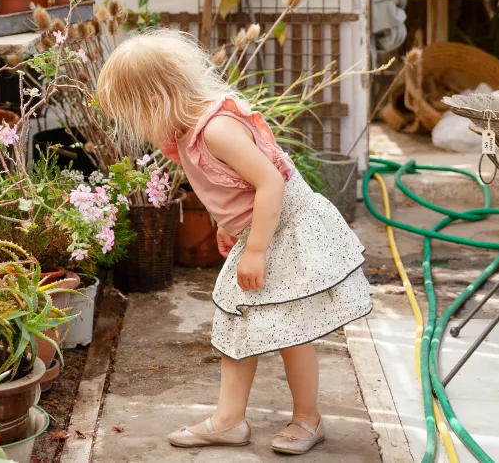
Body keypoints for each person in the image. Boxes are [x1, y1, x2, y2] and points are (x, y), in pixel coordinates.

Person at [96, 30, 371, 455]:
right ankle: (228, 420)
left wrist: (256, 248)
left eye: (135, 117)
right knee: (238, 319)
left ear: (157, 101)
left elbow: (270, 184)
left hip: (287, 228)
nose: (137, 130)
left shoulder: (216, 129)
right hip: (262, 227)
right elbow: (232, 186)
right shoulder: (187, 131)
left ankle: (307, 418)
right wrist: (231, 227)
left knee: (291, 328)